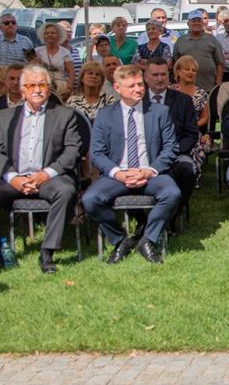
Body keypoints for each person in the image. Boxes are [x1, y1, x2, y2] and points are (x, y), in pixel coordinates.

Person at [0, 64, 87, 274]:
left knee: (66, 190)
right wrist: (12, 178)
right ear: (22, 89)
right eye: (31, 85)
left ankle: (47, 251)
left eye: (42, 85)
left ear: (49, 89)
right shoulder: (6, 117)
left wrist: (45, 174)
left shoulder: (65, 115)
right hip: (16, 178)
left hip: (50, 178)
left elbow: (73, 150)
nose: (37, 90)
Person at [85, 64, 181, 264]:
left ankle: (148, 239)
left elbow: (171, 148)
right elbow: (96, 153)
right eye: (131, 86)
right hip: (117, 175)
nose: (138, 89)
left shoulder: (160, 112)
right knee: (91, 199)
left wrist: (149, 171)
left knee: (172, 193)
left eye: (140, 84)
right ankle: (120, 240)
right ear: (117, 88)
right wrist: (117, 173)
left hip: (150, 173)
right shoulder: (105, 115)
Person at [142, 61, 200, 213]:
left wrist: (172, 152)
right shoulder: (137, 101)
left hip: (176, 154)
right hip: (143, 156)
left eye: (163, 74)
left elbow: (191, 134)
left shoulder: (184, 100)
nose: (160, 79)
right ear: (146, 77)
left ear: (169, 76)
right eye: (155, 75)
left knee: (188, 170)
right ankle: (142, 218)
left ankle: (174, 212)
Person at [171, 55, 210, 169]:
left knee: (194, 143)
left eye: (194, 70)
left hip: (193, 130)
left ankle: (193, 172)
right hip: (172, 130)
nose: (191, 72)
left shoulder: (201, 93)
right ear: (178, 71)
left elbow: (205, 117)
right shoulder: (170, 91)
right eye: (187, 69)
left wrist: (192, 126)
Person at [173, 9, 225, 91]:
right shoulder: (181, 41)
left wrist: (218, 83)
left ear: (202, 23)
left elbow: (220, 63)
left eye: (199, 21)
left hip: (209, 87)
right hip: (185, 88)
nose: (196, 23)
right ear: (188, 24)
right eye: (193, 21)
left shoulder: (212, 39)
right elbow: (176, 64)